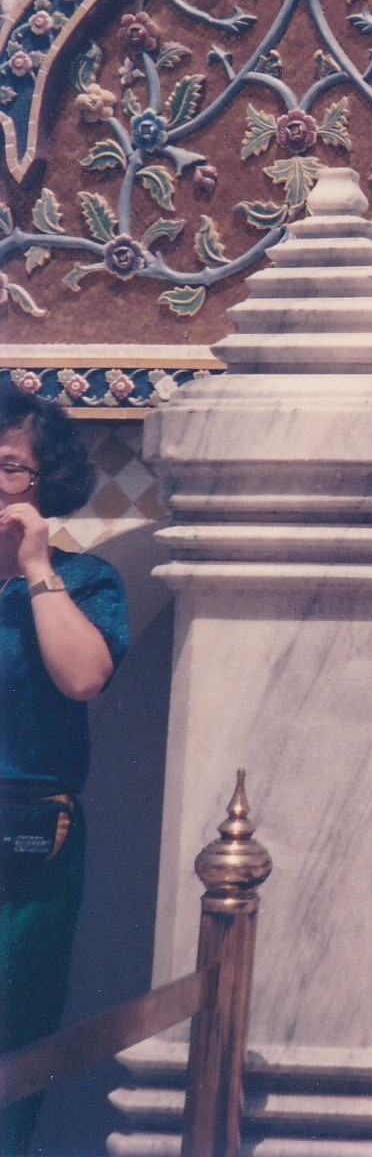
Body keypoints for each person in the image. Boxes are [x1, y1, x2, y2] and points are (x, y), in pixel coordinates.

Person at [1, 386, 128, 1156]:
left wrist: (36, 567)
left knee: (13, 1034)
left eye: (8, 465)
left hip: (24, 839)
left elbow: (82, 677)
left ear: (43, 482)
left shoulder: (86, 582)